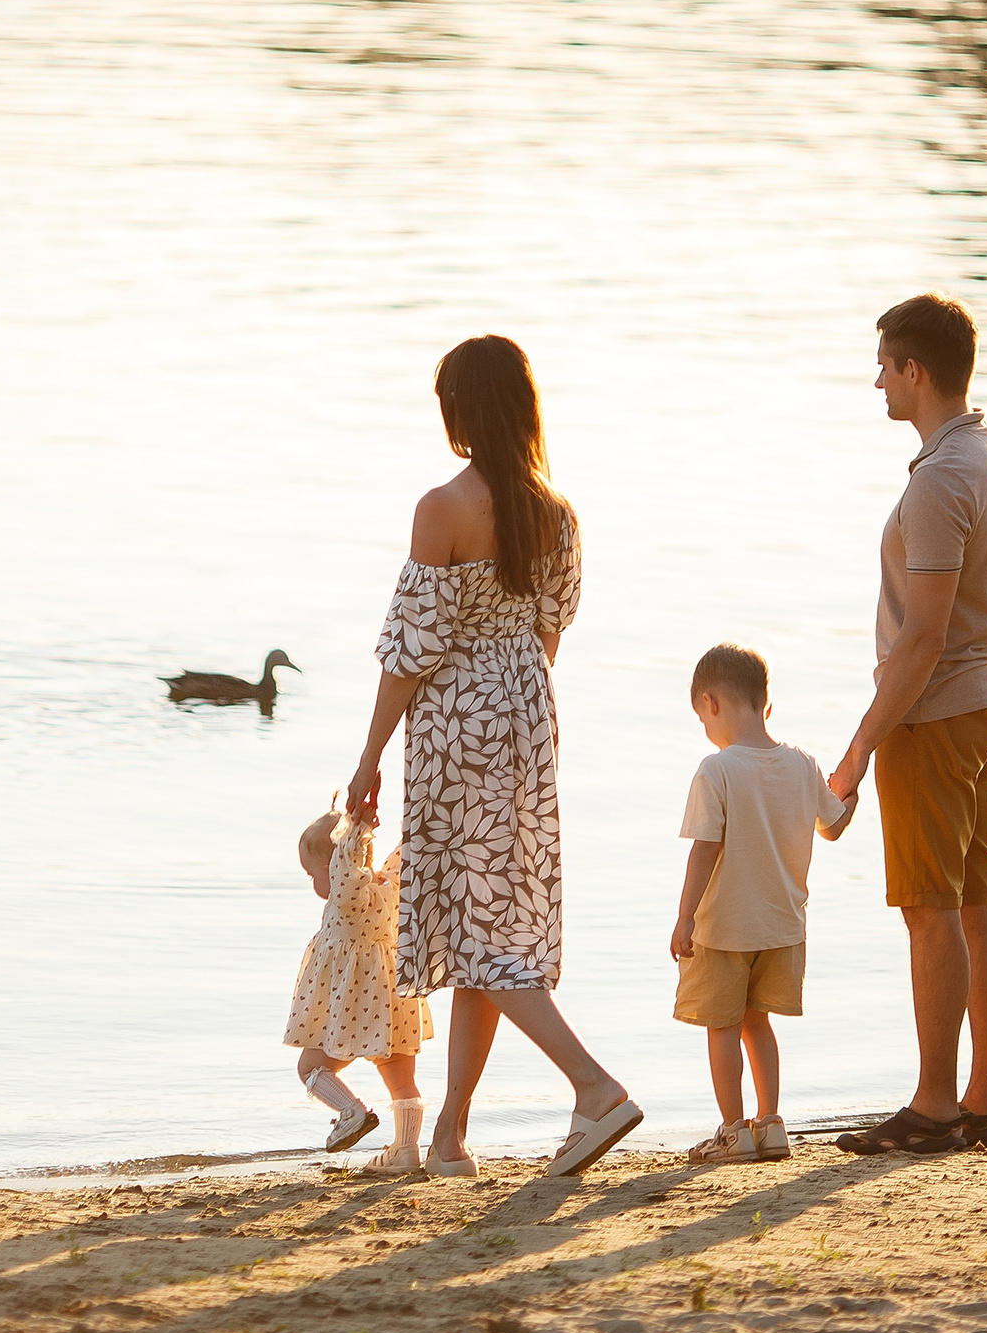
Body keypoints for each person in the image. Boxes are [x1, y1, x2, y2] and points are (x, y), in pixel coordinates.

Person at [346, 334, 640, 1179]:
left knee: (480, 934)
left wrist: (370, 756)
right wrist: (512, 705)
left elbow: (411, 650)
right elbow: (547, 635)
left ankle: (594, 1087)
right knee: (490, 925)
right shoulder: (557, 513)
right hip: (526, 720)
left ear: (462, 411)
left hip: (456, 725)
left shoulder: (443, 507)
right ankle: (448, 1140)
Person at [825, 294, 987, 1156]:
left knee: (929, 908)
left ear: (916, 371)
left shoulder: (944, 477)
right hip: (984, 700)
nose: (875, 379)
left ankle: (937, 1102)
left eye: (884, 364)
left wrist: (860, 746)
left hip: (937, 713)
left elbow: (925, 635)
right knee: (980, 899)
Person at [670, 644, 853, 1164]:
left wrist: (685, 919)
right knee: (759, 1022)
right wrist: (851, 792)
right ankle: (771, 1124)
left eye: (702, 719)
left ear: (711, 703)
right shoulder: (803, 764)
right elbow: (834, 826)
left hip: (725, 927)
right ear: (766, 705)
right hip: (783, 927)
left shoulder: (717, 769)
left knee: (722, 1026)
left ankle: (732, 1131)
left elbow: (704, 851)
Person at [286, 803, 432, 1173]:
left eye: (311, 875)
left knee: (311, 1067)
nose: (313, 883)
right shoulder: (391, 884)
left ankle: (351, 1111)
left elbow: (347, 864)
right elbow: (409, 848)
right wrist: (367, 825)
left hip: (353, 1006)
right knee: (402, 1080)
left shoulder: (347, 895)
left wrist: (355, 830)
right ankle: (407, 1150)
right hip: (393, 1002)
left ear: (331, 870)